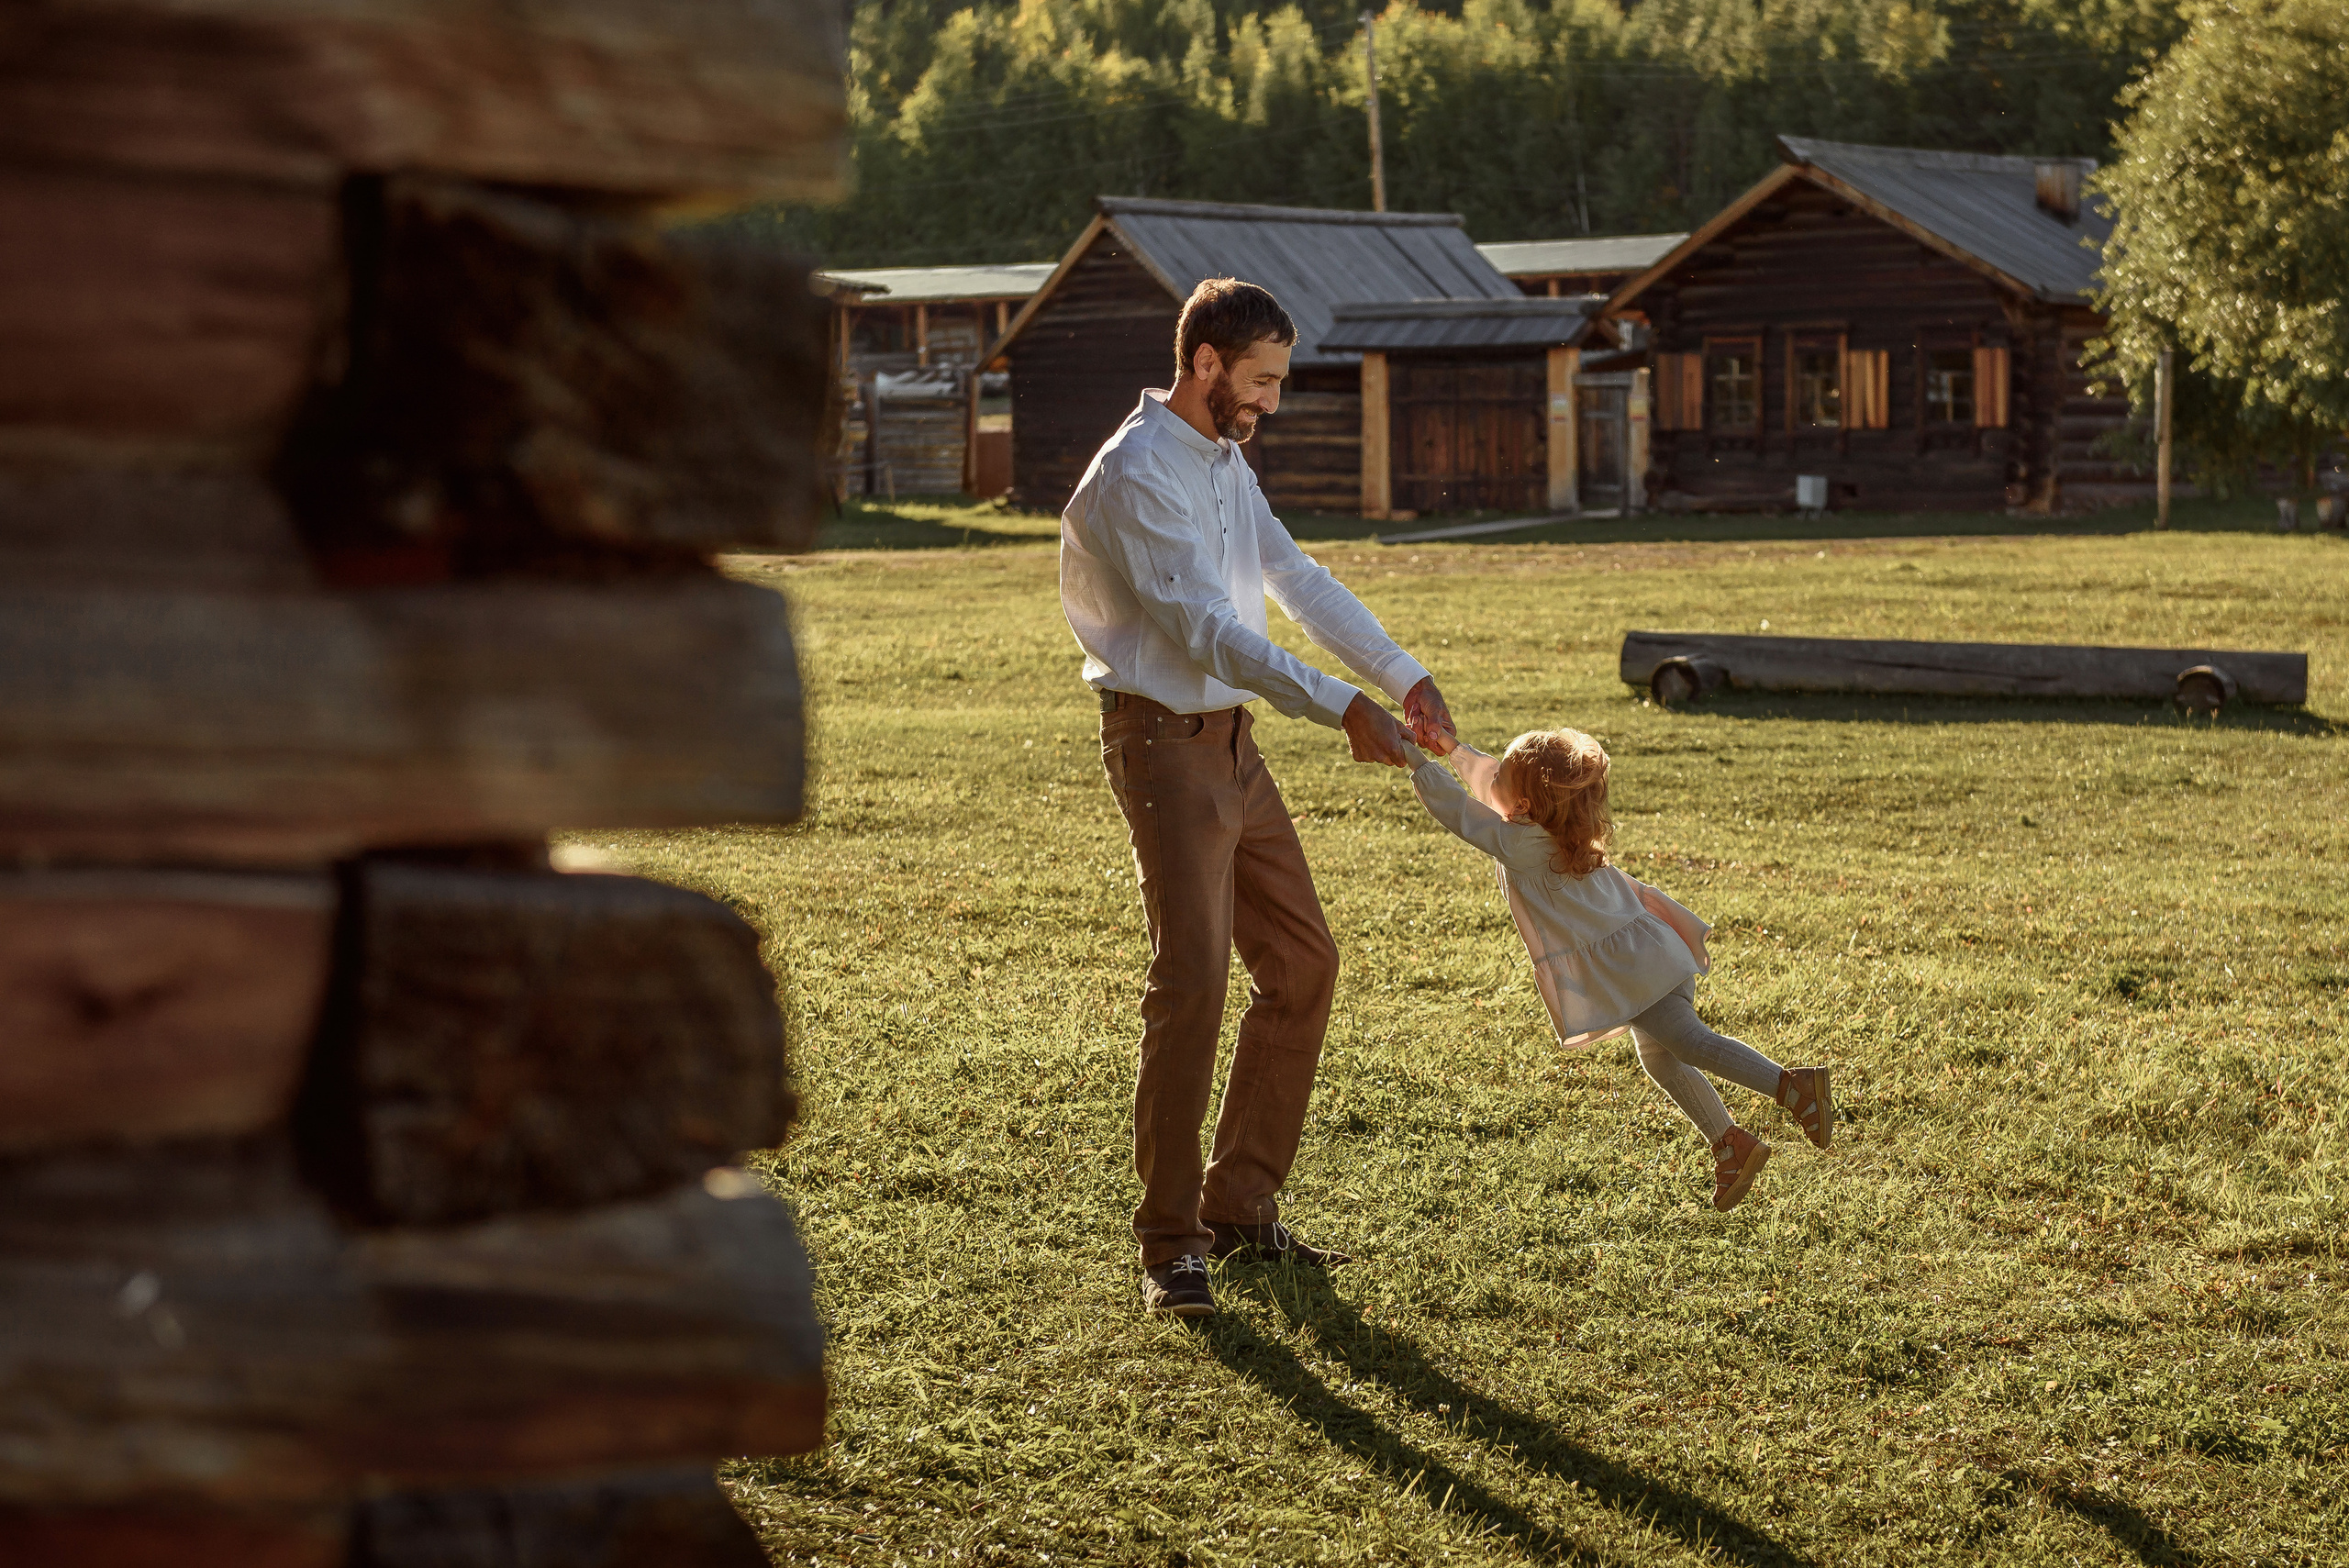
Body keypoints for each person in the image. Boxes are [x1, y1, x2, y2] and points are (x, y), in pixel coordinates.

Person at [1063, 276, 1454, 1318]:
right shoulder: (1138, 472)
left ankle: (1239, 1202)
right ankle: (1170, 1242)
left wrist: (1401, 674)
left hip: (1232, 743)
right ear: (1205, 363)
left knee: (1303, 963)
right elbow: (1208, 633)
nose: (1272, 401)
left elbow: (1293, 577)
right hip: (1162, 743)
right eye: (1263, 380)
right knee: (1189, 983)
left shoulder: (1223, 459)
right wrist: (1340, 709)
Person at [1400, 727, 1834, 1209]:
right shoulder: (1546, 830)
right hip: (1649, 954)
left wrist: (1417, 763)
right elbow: (1491, 789)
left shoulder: (1520, 843)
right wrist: (1453, 752)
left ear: (1524, 802)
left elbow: (1464, 814)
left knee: (1690, 1042)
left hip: (1636, 969)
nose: (1490, 774)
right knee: (1660, 1056)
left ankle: (1792, 1087)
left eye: (1499, 770)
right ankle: (1732, 1144)